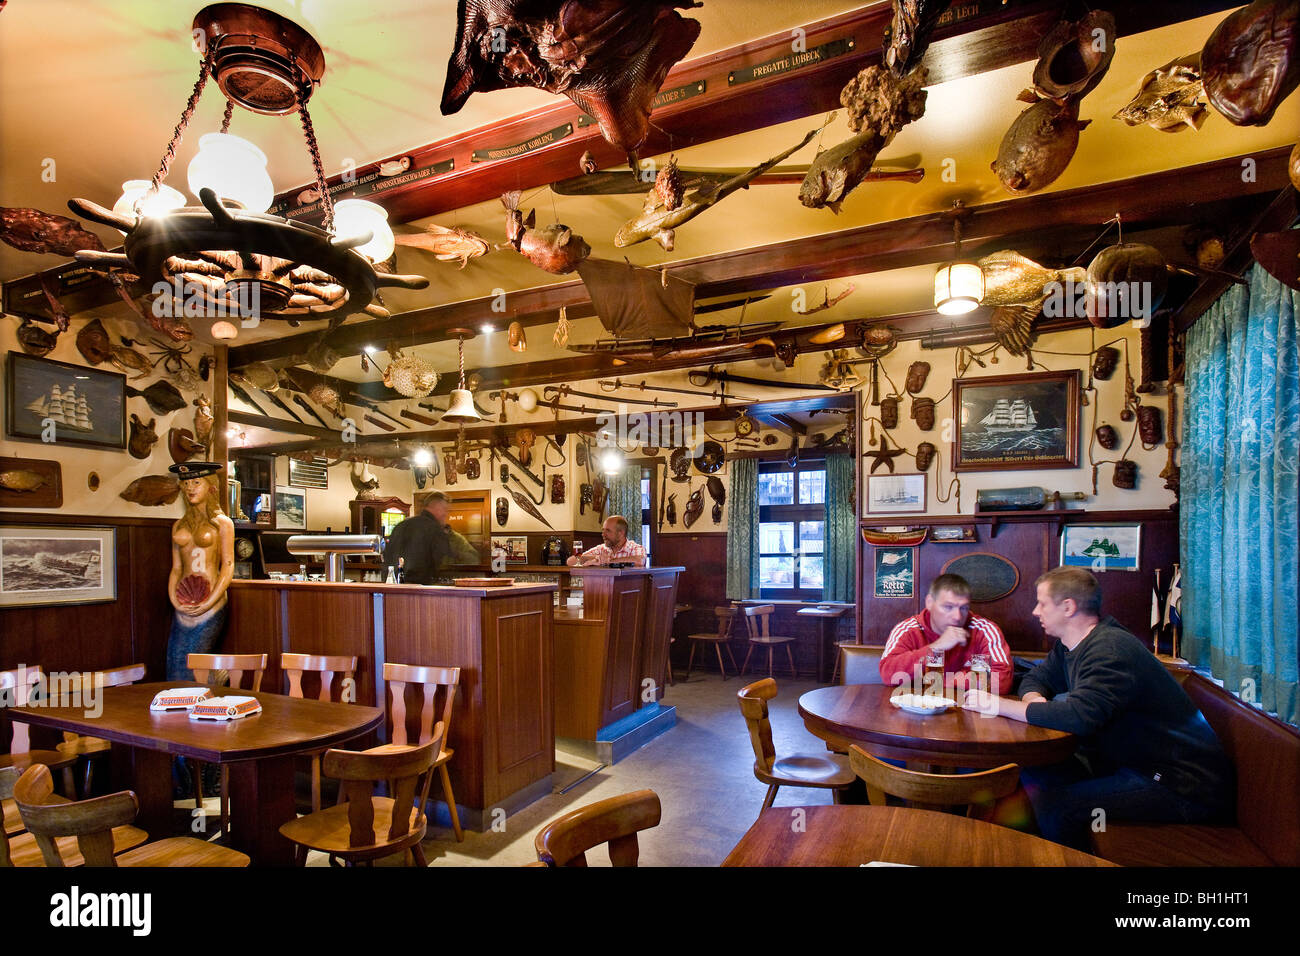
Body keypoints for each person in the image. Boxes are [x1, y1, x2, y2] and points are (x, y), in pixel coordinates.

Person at [962, 566, 1233, 850]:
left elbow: (1080, 717)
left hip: (1178, 785)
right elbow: (1036, 677)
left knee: (1058, 806)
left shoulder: (1110, 650)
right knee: (1032, 767)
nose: (1035, 612)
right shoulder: (1071, 644)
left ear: (1068, 607)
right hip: (1126, 766)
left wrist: (998, 705)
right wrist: (1034, 700)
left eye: (1042, 603)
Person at [879, 573, 1013, 694]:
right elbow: (887, 673)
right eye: (948, 607)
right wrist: (936, 647)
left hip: (968, 713)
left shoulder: (983, 631)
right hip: (918, 710)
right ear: (930, 602)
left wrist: (948, 681)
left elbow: (1002, 681)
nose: (957, 616)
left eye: (964, 608)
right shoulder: (909, 630)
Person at [165, 461, 234, 682]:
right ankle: (181, 708)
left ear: (210, 486)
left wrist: (209, 601)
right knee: (175, 661)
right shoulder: (178, 525)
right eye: (186, 483)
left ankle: (213, 692)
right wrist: (174, 600)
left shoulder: (223, 523)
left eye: (196, 482)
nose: (190, 488)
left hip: (211, 603)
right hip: (183, 603)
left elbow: (228, 566)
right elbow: (176, 568)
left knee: (196, 660)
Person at [382, 491, 454, 584]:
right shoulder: (434, 530)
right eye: (445, 509)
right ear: (437, 507)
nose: (446, 514)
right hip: (421, 591)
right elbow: (443, 564)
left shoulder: (401, 526)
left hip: (392, 587)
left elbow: (387, 558)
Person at [567, 515, 646, 567]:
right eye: (603, 530)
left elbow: (639, 561)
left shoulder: (635, 548)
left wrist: (608, 561)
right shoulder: (601, 549)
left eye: (608, 531)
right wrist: (596, 558)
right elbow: (570, 562)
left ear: (621, 533)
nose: (603, 534)